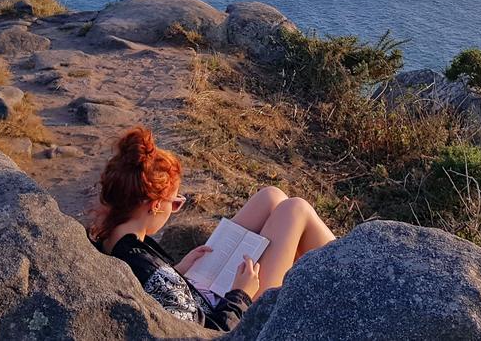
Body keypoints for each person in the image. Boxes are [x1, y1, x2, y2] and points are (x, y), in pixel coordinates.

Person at [91, 126, 336, 331]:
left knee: (271, 197)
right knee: (296, 210)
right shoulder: (149, 269)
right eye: (175, 203)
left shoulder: (116, 236)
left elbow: (157, 289)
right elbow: (209, 334)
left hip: (199, 294)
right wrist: (242, 293)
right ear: (155, 206)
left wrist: (176, 272)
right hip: (234, 319)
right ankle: (356, 268)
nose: (175, 208)